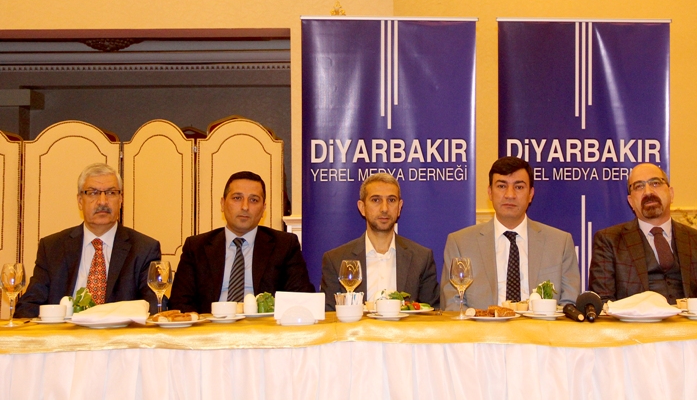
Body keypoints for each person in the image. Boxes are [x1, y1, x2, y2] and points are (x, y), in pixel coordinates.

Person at [16, 163, 162, 318]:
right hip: (64, 332)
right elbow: (28, 306)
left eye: (111, 192)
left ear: (120, 200)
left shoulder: (144, 249)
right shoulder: (52, 248)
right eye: (93, 193)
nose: (102, 201)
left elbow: (155, 308)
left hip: (120, 333)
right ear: (80, 201)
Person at [441, 156, 580, 310]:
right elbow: (453, 305)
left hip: (542, 325)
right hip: (481, 325)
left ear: (531, 194)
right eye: (501, 186)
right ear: (490, 192)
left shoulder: (560, 243)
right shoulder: (460, 243)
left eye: (519, 187)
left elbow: (570, 303)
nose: (510, 195)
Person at [169, 171, 313, 313]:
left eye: (254, 200)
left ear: (263, 208)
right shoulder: (196, 247)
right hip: (212, 325)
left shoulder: (285, 245)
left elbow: (301, 299)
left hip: (263, 326)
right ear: (222, 204)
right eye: (237, 198)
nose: (245, 207)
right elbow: (179, 303)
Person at [588, 163, 697, 304]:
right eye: (639, 186)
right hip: (635, 318)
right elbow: (603, 302)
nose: (648, 192)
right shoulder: (609, 240)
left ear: (671, 194)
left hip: (688, 318)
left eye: (655, 183)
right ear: (631, 202)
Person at [320, 173, 440, 310]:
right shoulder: (336, 260)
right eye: (376, 200)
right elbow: (329, 316)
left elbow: (432, 314)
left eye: (391, 200)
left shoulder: (421, 258)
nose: (384, 208)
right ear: (362, 207)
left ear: (399, 207)